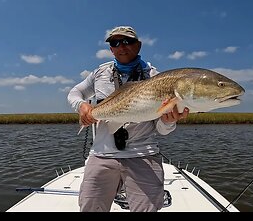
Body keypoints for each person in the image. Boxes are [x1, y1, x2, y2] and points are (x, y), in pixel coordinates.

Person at [67, 25, 189, 212]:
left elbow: (162, 130)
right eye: (115, 43)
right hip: (101, 155)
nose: (121, 46)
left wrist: (169, 120)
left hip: (144, 155)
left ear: (138, 45)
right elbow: (75, 93)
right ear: (110, 49)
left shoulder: (156, 77)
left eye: (127, 41)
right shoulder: (100, 73)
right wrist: (82, 106)